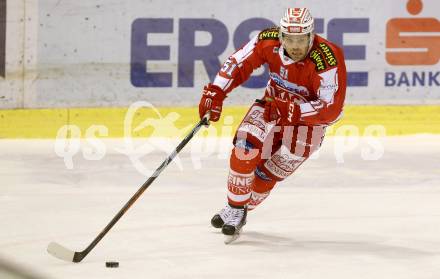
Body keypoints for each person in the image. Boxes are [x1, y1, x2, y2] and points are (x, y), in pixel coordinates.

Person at [198, 7, 347, 243]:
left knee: (267, 174)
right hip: (272, 106)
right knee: (244, 147)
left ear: (311, 36)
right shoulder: (267, 40)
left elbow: (331, 110)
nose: (295, 45)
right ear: (281, 36)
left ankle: (243, 208)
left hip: (309, 124)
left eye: (301, 39)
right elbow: (238, 63)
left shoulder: (327, 58)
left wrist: (292, 110)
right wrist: (216, 92)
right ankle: (235, 208)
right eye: (289, 38)